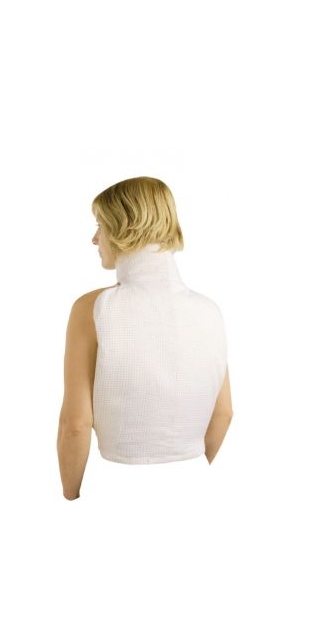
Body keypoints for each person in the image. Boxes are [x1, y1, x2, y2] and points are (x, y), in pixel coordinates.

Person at [57, 176, 233, 500]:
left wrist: (70, 498)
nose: (95, 239)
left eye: (100, 226)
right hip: (198, 488)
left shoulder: (93, 308)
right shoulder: (210, 311)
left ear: (121, 227)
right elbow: (223, 413)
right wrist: (187, 472)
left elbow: (75, 424)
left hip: (119, 488)